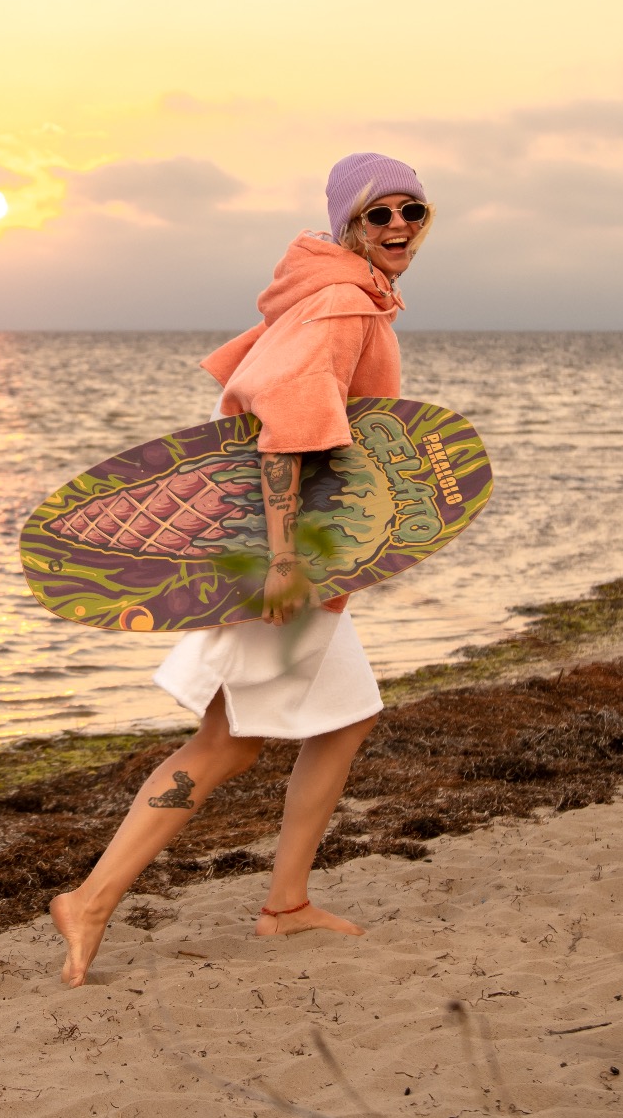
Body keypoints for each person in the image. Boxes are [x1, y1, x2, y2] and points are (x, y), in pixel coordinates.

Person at [49, 151, 434, 988]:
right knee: (226, 742)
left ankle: (286, 903)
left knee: (345, 717)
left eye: (414, 210)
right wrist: (285, 557)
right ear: (348, 225)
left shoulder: (337, 292)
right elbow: (281, 420)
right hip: (283, 557)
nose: (399, 225)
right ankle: (91, 898)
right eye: (380, 214)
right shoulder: (340, 302)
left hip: (309, 555)